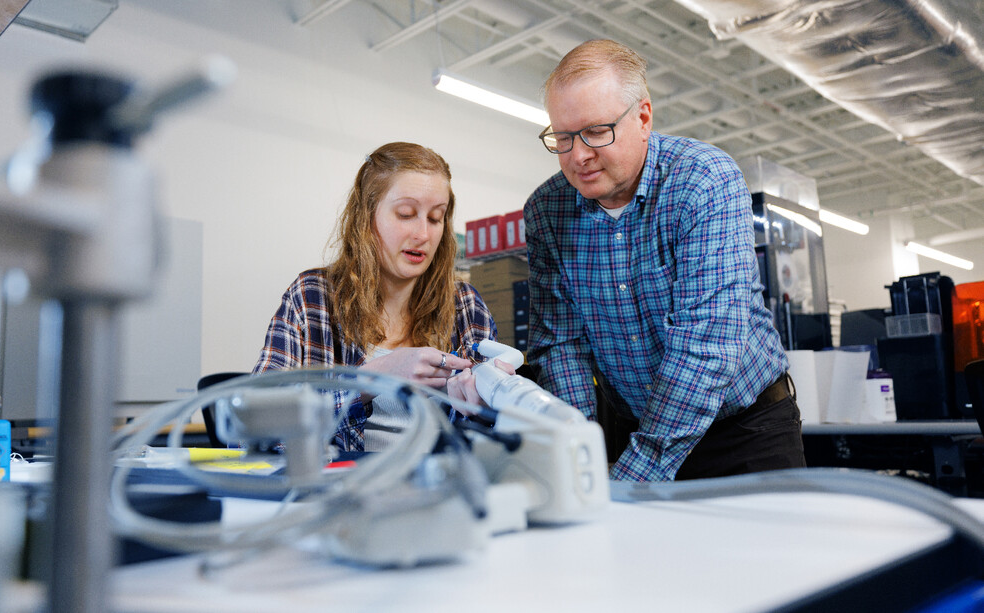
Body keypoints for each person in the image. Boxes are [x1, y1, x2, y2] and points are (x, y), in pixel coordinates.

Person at [525, 39, 805, 481]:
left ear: (642, 118)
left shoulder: (703, 181)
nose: (577, 155)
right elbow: (561, 344)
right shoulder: (547, 211)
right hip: (634, 431)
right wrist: (581, 456)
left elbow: (705, 344)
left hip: (745, 433)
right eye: (562, 137)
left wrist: (632, 478)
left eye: (596, 132)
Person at [254, 141, 504, 452]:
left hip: (442, 492)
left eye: (436, 218)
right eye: (405, 213)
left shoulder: (465, 306)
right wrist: (373, 377)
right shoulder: (312, 298)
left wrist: (494, 400)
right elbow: (255, 429)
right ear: (366, 218)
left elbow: (495, 444)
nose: (423, 235)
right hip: (341, 494)